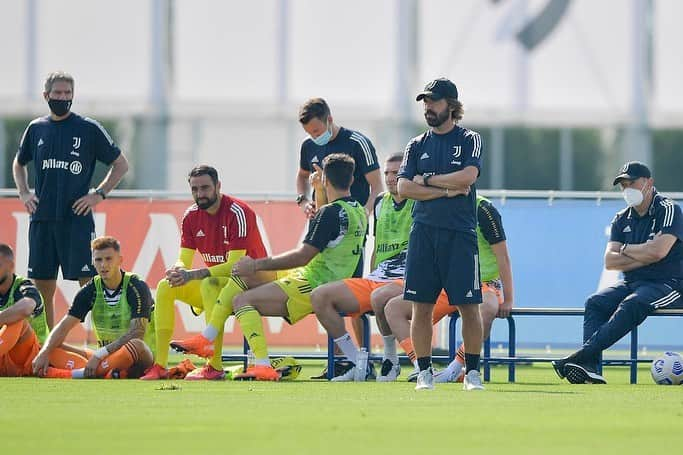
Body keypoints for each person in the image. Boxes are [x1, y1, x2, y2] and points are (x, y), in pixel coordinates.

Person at [174, 153, 367, 381]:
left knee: (241, 300)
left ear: (324, 179)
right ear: (352, 180)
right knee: (245, 278)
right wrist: (321, 190)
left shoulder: (329, 214)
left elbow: (303, 255)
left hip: (312, 284)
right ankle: (208, 339)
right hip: (328, 280)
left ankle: (262, 364)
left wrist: (256, 263)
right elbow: (331, 226)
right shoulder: (358, 210)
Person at [12, 71, 129, 329]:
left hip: (76, 220)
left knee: (89, 284)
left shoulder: (87, 128)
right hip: (42, 220)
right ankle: (47, 350)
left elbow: (120, 164)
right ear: (47, 96)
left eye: (68, 93)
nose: (63, 98)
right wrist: (24, 192)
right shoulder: (36, 128)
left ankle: (103, 343)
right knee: (43, 289)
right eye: (58, 93)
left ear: (73, 96)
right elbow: (19, 163)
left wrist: (98, 193)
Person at [552, 161, 683, 384]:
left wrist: (626, 251)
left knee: (632, 304)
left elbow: (659, 252)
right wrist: (641, 253)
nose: (627, 189)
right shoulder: (622, 218)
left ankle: (580, 356)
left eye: (631, 183)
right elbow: (611, 261)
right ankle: (590, 367)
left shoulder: (668, 209)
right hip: (635, 282)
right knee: (595, 302)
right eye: (623, 185)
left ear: (649, 183)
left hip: (670, 283)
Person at [140, 165, 270, 380]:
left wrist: (193, 274)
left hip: (253, 283)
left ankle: (214, 366)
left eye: (205, 188)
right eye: (195, 189)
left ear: (218, 186)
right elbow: (185, 258)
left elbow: (234, 266)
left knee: (210, 284)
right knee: (165, 286)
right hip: (217, 285)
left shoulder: (239, 212)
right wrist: (179, 268)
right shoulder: (190, 216)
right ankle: (160, 365)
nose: (200, 194)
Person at [397, 77, 485, 391]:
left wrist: (429, 180)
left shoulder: (470, 138)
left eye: (433, 101)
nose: (428, 107)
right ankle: (424, 373)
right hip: (423, 234)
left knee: (468, 306)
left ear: (451, 104)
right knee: (421, 308)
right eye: (425, 102)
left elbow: (468, 177)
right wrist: (446, 192)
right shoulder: (416, 144)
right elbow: (404, 187)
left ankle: (472, 373)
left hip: (460, 235)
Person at [371, 195, 514, 383]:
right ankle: (420, 367)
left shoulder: (483, 208)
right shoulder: (432, 204)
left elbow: (503, 256)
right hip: (448, 282)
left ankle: (455, 368)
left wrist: (509, 298)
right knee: (393, 307)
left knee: (486, 309)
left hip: (484, 282)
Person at [32, 236, 154, 379]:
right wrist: (44, 352)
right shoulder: (90, 290)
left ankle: (73, 374)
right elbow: (64, 326)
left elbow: (137, 332)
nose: (103, 265)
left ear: (120, 260)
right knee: (52, 345)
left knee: (136, 344)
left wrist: (99, 354)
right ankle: (111, 373)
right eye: (98, 260)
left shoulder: (137, 286)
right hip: (106, 358)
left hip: (140, 356)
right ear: (93, 263)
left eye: (109, 259)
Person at [296, 97, 382, 217]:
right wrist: (304, 201)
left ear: (329, 119)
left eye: (317, 131)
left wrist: (364, 213)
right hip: (320, 221)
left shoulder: (357, 143)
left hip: (352, 224)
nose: (314, 137)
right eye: (309, 133)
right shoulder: (308, 145)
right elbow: (302, 176)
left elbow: (377, 187)